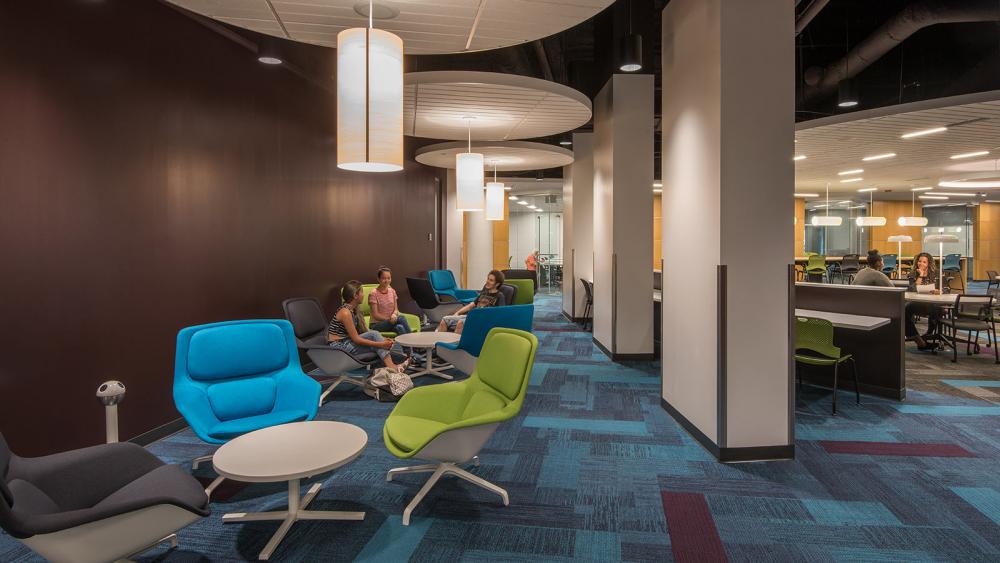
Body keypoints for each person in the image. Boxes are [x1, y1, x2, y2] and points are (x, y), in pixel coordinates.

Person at [328, 280, 409, 371]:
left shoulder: (353, 310)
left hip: (347, 342)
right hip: (339, 347)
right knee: (375, 337)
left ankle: (397, 362)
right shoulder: (345, 313)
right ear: (355, 295)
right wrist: (381, 344)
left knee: (375, 335)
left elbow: (363, 333)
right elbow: (356, 339)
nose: (363, 295)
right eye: (361, 292)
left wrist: (382, 338)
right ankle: (393, 365)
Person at [436, 270, 506, 334]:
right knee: (444, 320)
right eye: (488, 278)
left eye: (491, 280)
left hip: (484, 320)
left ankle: (456, 347)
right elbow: (471, 305)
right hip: (471, 317)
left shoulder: (499, 296)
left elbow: (500, 314)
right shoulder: (484, 292)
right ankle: (439, 346)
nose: (487, 281)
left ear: (497, 284)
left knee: (461, 323)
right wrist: (457, 313)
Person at [905, 252, 941, 350]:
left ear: (929, 263)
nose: (921, 263)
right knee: (905, 309)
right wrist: (920, 275)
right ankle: (917, 338)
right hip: (918, 303)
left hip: (933, 303)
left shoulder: (936, 273)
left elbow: (946, 289)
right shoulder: (913, 273)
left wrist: (938, 291)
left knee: (936, 309)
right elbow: (912, 289)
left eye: (924, 262)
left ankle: (928, 335)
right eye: (919, 261)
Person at [367, 266, 411, 335]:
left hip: (391, 322)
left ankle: (407, 345)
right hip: (376, 325)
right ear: (378, 279)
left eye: (389, 278)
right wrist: (389, 319)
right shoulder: (373, 293)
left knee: (399, 327)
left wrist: (394, 315)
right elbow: (375, 315)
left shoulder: (392, 291)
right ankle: (413, 340)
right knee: (401, 318)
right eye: (384, 278)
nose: (387, 280)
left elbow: (396, 309)